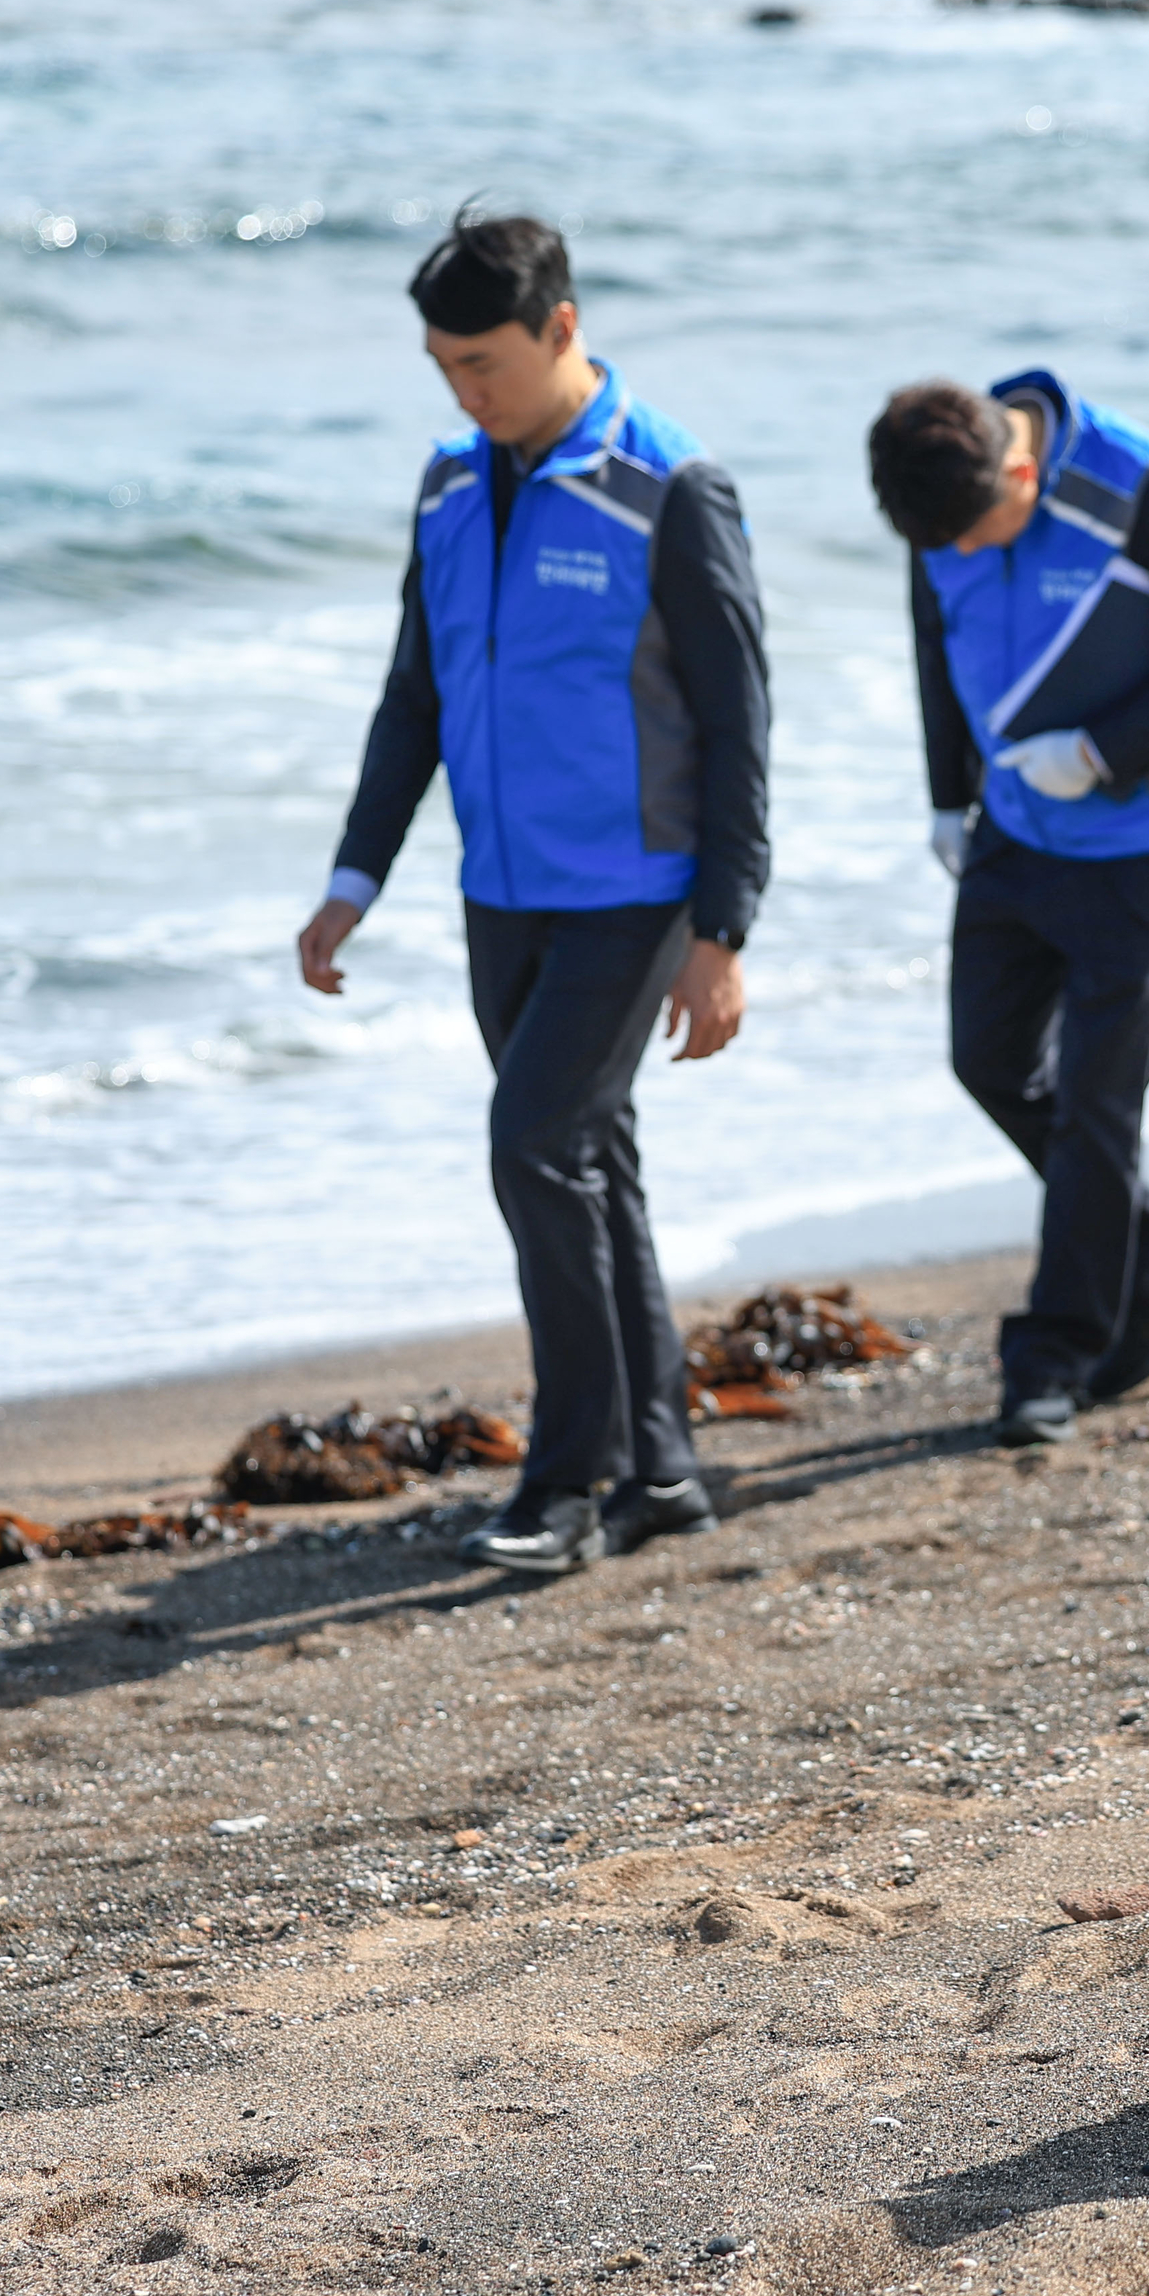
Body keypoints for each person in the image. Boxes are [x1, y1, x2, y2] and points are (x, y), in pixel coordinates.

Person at [297, 210, 771, 1576]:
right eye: (442, 366)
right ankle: (661, 1469)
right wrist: (355, 875)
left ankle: (565, 1485)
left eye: (483, 364)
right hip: (501, 890)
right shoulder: (449, 484)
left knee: (533, 1148)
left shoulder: (669, 486)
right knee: (587, 1164)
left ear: (562, 329)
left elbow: (739, 720)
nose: (464, 393)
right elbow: (416, 696)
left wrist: (723, 928)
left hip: (637, 892)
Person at [866, 372, 1149, 1445]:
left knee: (1098, 1099)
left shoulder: (1144, 485)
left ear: (1023, 469)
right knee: (989, 1060)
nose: (955, 553)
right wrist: (947, 797)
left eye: (973, 532)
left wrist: (1098, 753)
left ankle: (1054, 1353)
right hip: (1010, 829)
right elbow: (934, 643)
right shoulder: (940, 496)